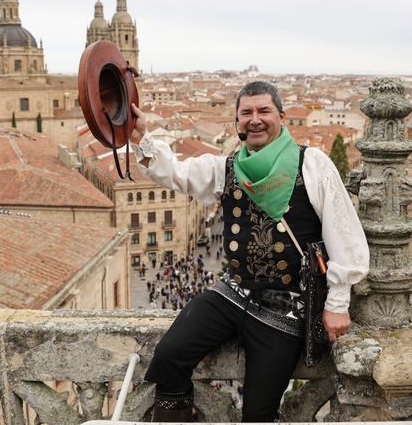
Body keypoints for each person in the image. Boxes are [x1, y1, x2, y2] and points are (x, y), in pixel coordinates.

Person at [130, 81, 369, 422]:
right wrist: (142, 136)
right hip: (233, 293)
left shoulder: (312, 164)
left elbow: (343, 231)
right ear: (237, 122)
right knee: (168, 356)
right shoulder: (226, 168)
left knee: (258, 414)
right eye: (246, 113)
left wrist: (338, 302)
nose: (255, 119)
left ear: (281, 117)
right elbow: (178, 174)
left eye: (263, 111)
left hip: (287, 309)